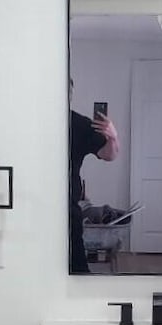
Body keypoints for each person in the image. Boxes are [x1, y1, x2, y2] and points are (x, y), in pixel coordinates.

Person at [69, 95, 119, 273]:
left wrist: (113, 137)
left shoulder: (79, 124)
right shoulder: (33, 121)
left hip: (69, 210)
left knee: (78, 272)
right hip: (36, 207)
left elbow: (109, 155)